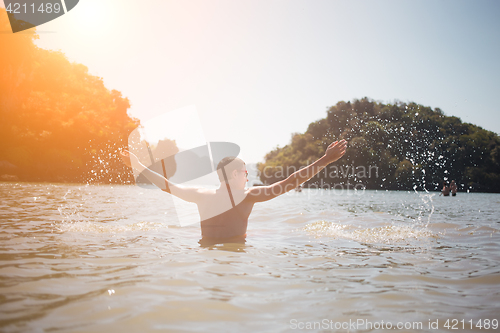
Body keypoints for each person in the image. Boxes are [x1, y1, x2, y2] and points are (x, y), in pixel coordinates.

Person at [120, 140, 347, 244]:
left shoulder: (201, 194)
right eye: (245, 173)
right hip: (237, 256)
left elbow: (167, 185)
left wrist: (138, 165)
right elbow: (291, 181)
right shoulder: (248, 196)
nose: (248, 177)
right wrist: (325, 160)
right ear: (236, 174)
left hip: (205, 255)